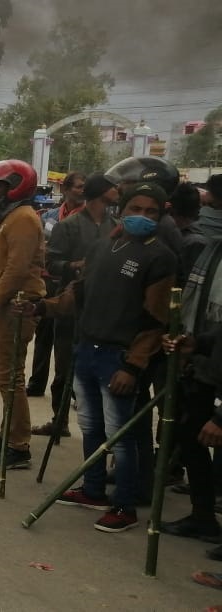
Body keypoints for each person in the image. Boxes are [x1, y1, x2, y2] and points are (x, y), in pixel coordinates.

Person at [24, 182, 176, 532]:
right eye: (135, 208)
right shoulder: (102, 246)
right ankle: (93, 490)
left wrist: (133, 365)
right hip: (86, 349)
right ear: (121, 209)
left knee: (119, 436)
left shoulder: (160, 257)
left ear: (161, 215)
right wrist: (40, 307)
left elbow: (157, 322)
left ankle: (124, 506)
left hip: (118, 358)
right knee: (91, 426)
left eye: (151, 211)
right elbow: (76, 294)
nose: (142, 216)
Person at [160, 174, 222, 550]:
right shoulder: (210, 249)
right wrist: (193, 342)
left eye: (214, 206)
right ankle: (202, 517)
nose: (209, 214)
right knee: (189, 433)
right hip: (204, 362)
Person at [0, 160, 47, 469]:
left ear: (17, 185)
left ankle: (19, 446)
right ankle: (9, 433)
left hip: (15, 304)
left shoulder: (23, 219)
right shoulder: (12, 216)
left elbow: (16, 270)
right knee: (6, 374)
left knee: (10, 375)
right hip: (7, 304)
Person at [32, 174, 118, 437]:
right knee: (64, 365)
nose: (117, 193)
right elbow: (52, 263)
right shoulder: (68, 226)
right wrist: (74, 266)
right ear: (101, 193)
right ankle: (60, 419)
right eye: (113, 189)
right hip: (71, 302)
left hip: (104, 307)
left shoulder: (116, 226)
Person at [28, 172, 86, 397]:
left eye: (84, 187)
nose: (82, 191)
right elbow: (41, 245)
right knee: (43, 336)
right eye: (79, 186)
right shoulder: (49, 216)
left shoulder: (88, 222)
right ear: (65, 190)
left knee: (68, 341)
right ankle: (36, 383)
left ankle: (69, 390)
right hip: (47, 280)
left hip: (72, 283)